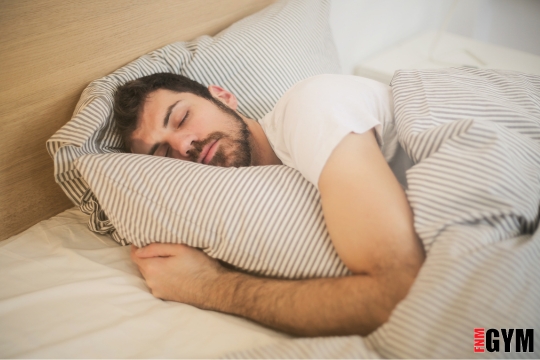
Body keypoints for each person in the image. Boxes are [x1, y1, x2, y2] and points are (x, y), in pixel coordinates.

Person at [113, 72, 425, 336]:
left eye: (182, 118)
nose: (183, 145)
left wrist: (207, 287)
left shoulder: (310, 108)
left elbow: (398, 293)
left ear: (222, 97)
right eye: (164, 154)